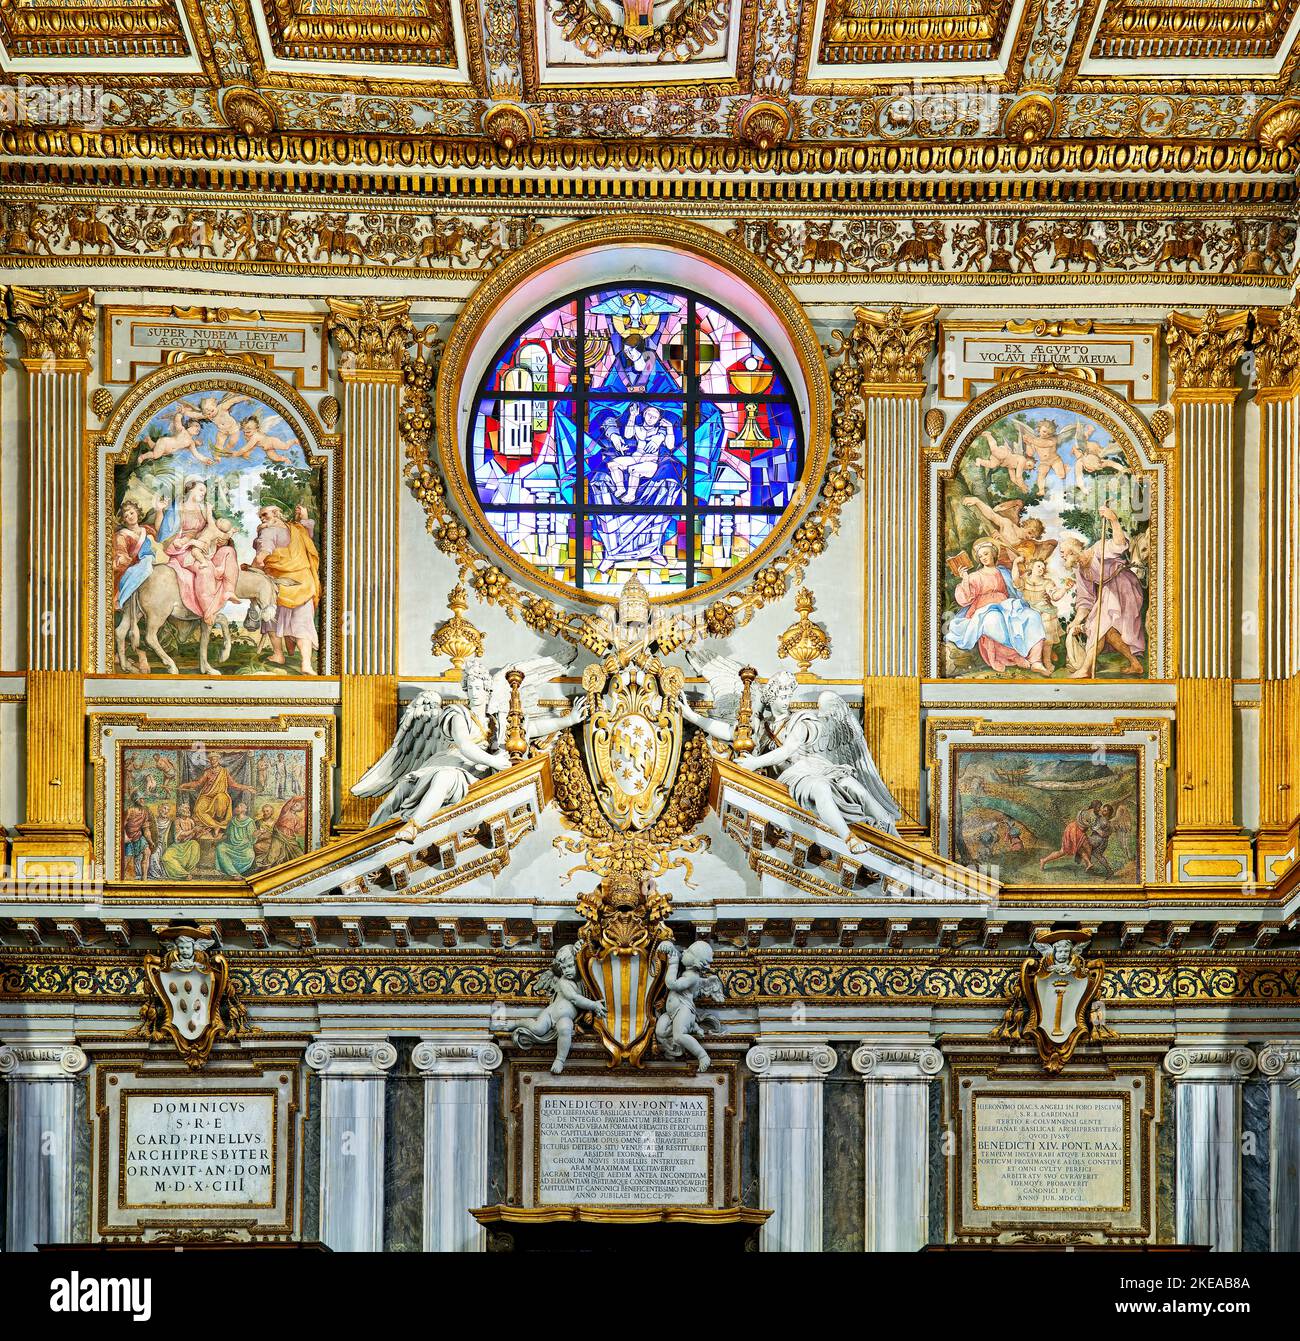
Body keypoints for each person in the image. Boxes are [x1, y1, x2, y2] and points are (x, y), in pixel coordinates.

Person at [1059, 506, 1146, 677]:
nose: (1061, 556)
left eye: (1063, 552)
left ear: (1072, 550)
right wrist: (1076, 621)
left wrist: (1113, 520)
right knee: (1107, 630)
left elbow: (1120, 545)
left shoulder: (1098, 549)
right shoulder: (1080, 570)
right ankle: (1136, 664)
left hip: (1124, 587)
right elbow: (1085, 600)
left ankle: (1084, 669)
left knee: (1099, 625)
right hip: (1108, 593)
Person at [947, 539, 1053, 675]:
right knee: (994, 620)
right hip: (985, 609)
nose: (983, 558)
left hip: (1006, 606)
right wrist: (965, 578)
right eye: (980, 556)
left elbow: (1016, 588)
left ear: (993, 553)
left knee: (1032, 616)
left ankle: (1036, 661)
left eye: (986, 554)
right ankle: (1015, 655)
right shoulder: (975, 576)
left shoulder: (1003, 572)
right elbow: (964, 599)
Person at [250, 503, 321, 672]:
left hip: (279, 584)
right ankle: (306, 664)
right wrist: (304, 517)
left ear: (276, 514)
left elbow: (262, 555)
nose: (262, 518)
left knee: (271, 618)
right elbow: (308, 536)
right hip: (303, 583)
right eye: (260, 516)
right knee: (302, 623)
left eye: (265, 514)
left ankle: (278, 655)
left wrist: (253, 571)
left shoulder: (269, 531)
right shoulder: (295, 528)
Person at [161, 479, 240, 623]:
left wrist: (222, 539)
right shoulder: (177, 508)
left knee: (229, 551)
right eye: (201, 490)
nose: (203, 494)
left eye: (204, 491)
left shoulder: (204, 509)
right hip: (184, 550)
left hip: (206, 548)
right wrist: (191, 541)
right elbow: (167, 538)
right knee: (206, 569)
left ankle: (229, 591)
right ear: (190, 489)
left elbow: (214, 528)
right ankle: (208, 611)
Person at [112, 502, 160, 611]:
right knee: (146, 564)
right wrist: (127, 560)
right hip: (130, 568)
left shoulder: (147, 529)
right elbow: (120, 554)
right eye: (126, 516)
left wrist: (159, 510)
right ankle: (121, 600)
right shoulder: (121, 535)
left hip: (153, 561)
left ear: (137, 513)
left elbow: (159, 540)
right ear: (123, 520)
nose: (130, 517)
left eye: (132, 513)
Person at [214, 799, 257, 875]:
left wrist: (256, 834)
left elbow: (252, 837)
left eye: (238, 807)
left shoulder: (249, 821)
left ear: (244, 809)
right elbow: (227, 835)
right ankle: (233, 873)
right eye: (236, 807)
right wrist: (218, 839)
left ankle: (240, 872)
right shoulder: (232, 821)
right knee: (220, 848)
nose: (236, 809)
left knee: (250, 855)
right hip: (231, 846)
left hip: (244, 847)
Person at [160, 800, 201, 879]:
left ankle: (188, 870)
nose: (188, 810)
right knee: (166, 857)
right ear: (181, 810)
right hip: (177, 846)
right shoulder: (177, 821)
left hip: (188, 845)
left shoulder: (191, 821)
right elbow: (179, 836)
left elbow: (194, 836)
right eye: (185, 808)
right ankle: (183, 874)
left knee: (195, 844)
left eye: (188, 808)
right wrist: (193, 830)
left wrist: (200, 832)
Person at [121, 793, 153, 880]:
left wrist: (150, 841)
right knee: (127, 860)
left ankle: (144, 878)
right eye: (141, 799)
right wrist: (125, 837)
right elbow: (121, 826)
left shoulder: (144, 812)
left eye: (143, 799)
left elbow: (146, 829)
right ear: (136, 799)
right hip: (129, 839)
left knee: (147, 852)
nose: (143, 800)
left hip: (138, 836)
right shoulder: (129, 811)